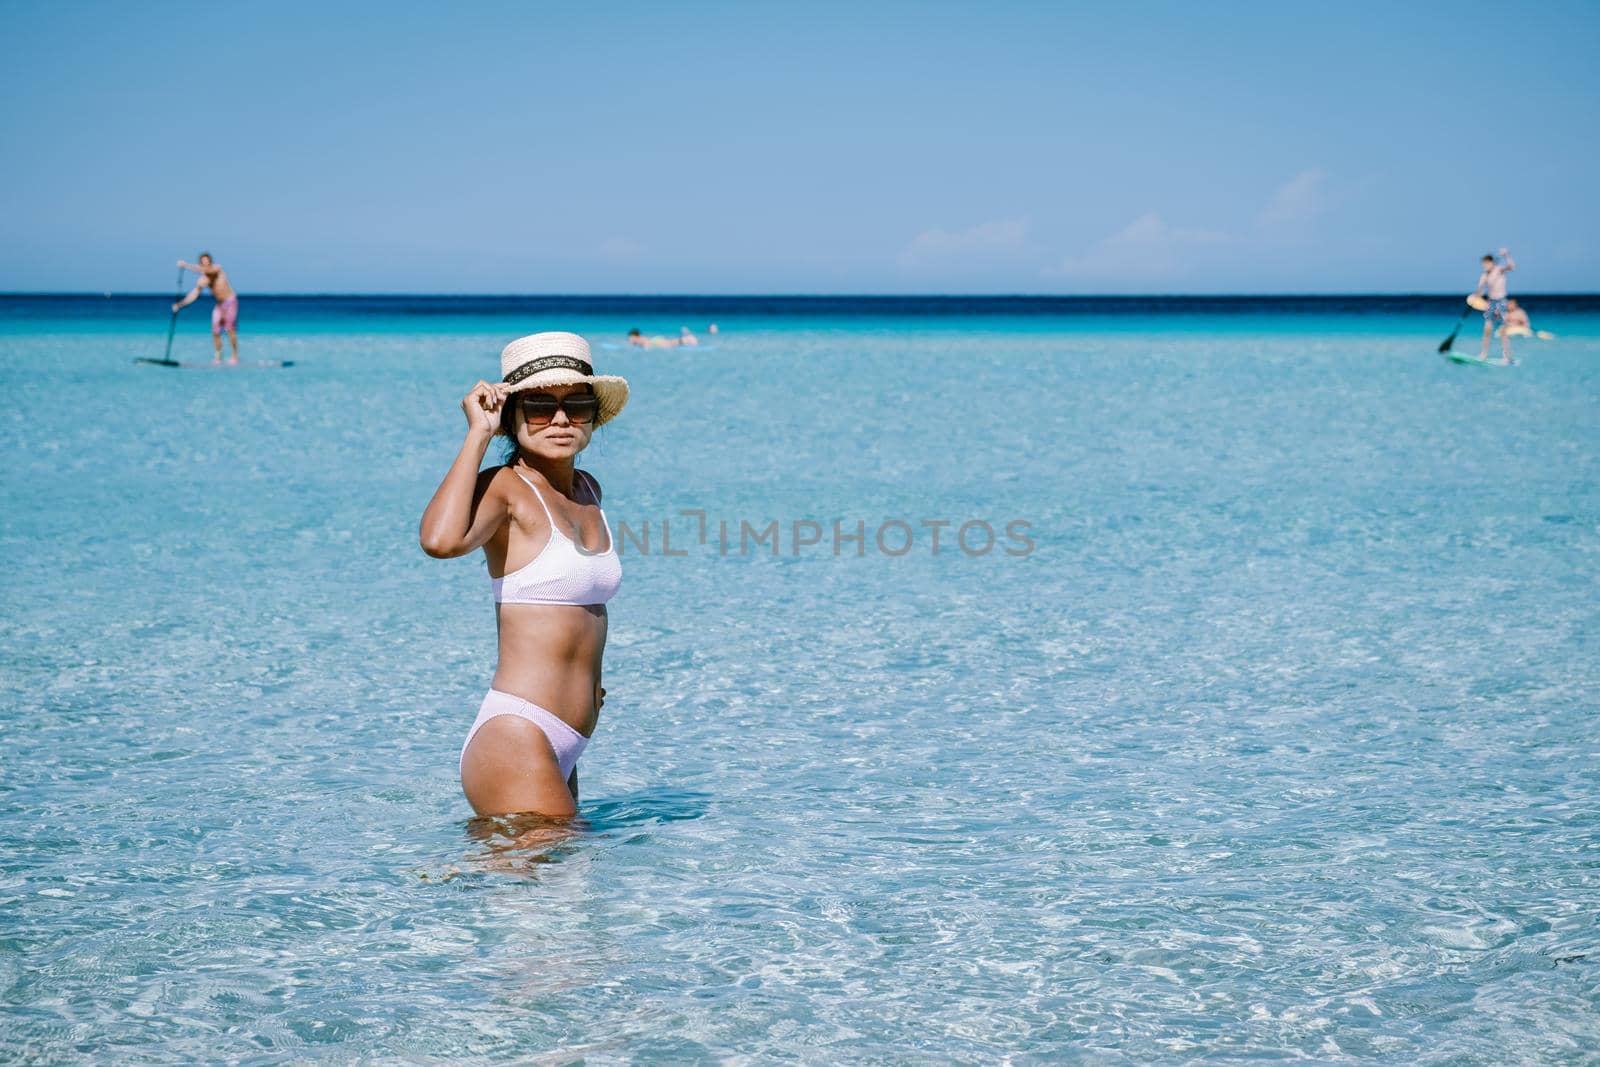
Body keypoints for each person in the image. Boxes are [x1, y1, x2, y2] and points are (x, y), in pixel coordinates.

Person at [419, 332, 628, 819]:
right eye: (538, 406)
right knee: (562, 883)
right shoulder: (506, 487)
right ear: (512, 417)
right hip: (518, 736)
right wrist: (477, 435)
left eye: (576, 405)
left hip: (565, 741)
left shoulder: (587, 489)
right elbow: (439, 542)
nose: (560, 419)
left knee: (545, 887)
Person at [173, 252, 240, 364]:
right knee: (215, 330)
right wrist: (180, 305)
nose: (205, 265)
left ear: (210, 262)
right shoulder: (203, 280)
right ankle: (218, 356)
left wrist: (186, 265)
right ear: (200, 263)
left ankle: (234, 356)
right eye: (203, 262)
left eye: (207, 262)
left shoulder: (217, 269)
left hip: (230, 301)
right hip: (219, 305)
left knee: (230, 329)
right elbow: (194, 294)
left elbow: (208, 270)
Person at [1473, 248, 1516, 364]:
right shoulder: (1484, 275)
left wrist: (1506, 255)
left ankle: (1506, 356)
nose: (1484, 266)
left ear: (1492, 262)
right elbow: (1480, 290)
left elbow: (1512, 266)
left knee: (1502, 330)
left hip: (1501, 302)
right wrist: (1474, 297)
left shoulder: (1499, 270)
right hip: (1491, 303)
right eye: (1483, 264)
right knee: (1487, 329)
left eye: (1486, 263)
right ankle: (1484, 354)